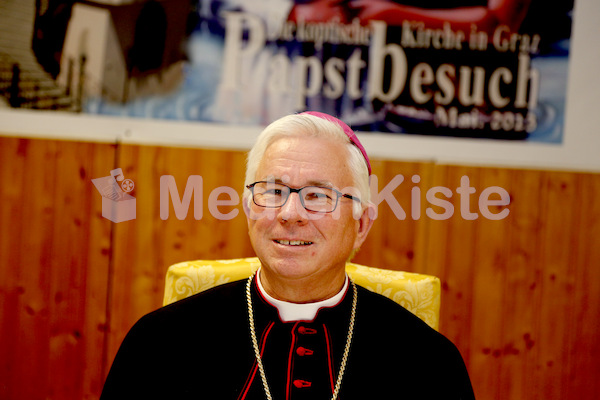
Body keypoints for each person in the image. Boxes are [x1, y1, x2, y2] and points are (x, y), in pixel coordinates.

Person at [100, 111, 475, 400]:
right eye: (273, 191)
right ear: (249, 210)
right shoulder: (160, 343)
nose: (290, 213)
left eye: (317, 195)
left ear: (361, 225)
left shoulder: (427, 362)